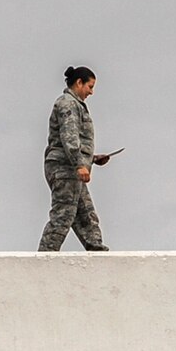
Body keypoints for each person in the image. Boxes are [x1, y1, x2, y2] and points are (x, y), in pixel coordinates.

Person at [40, 66, 115, 251]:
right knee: (63, 214)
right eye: (90, 86)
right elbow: (69, 136)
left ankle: (96, 249)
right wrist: (80, 164)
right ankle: (44, 258)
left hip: (71, 167)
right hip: (64, 168)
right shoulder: (68, 103)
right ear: (79, 82)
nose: (91, 91)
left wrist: (91, 158)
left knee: (86, 215)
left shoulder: (75, 105)